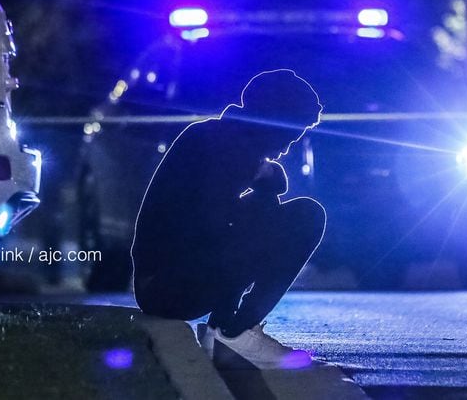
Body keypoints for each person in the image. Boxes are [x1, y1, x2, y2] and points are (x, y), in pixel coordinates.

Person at [132, 69, 326, 369]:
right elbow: (214, 227)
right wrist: (265, 189)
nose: (288, 148)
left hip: (164, 280)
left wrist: (267, 179)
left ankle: (222, 331)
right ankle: (233, 332)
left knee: (266, 207)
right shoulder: (226, 148)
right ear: (274, 121)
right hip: (166, 287)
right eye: (291, 135)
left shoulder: (225, 138)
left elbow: (268, 189)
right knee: (307, 216)